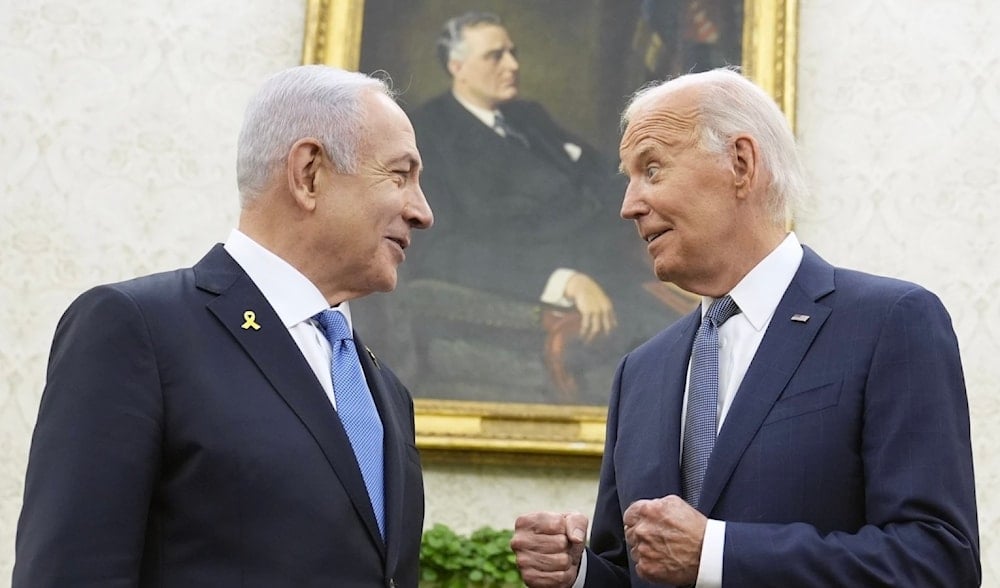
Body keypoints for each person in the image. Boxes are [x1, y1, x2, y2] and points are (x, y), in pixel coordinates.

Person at [510, 67, 980, 587]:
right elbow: (633, 572)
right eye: (628, 178)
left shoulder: (890, 322)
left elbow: (937, 562)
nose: (629, 205)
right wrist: (577, 574)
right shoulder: (640, 371)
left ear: (740, 163)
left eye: (652, 169)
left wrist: (717, 553)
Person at [13, 65, 433, 587]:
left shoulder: (386, 391)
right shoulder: (138, 330)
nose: (422, 211)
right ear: (309, 173)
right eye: (399, 176)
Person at [382, 10, 685, 404]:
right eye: (495, 56)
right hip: (542, 287)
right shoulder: (430, 135)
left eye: (513, 52)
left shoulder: (528, 118)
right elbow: (442, 248)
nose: (512, 65)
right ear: (457, 66)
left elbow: (610, 180)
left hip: (616, 265)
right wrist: (563, 280)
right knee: (669, 352)